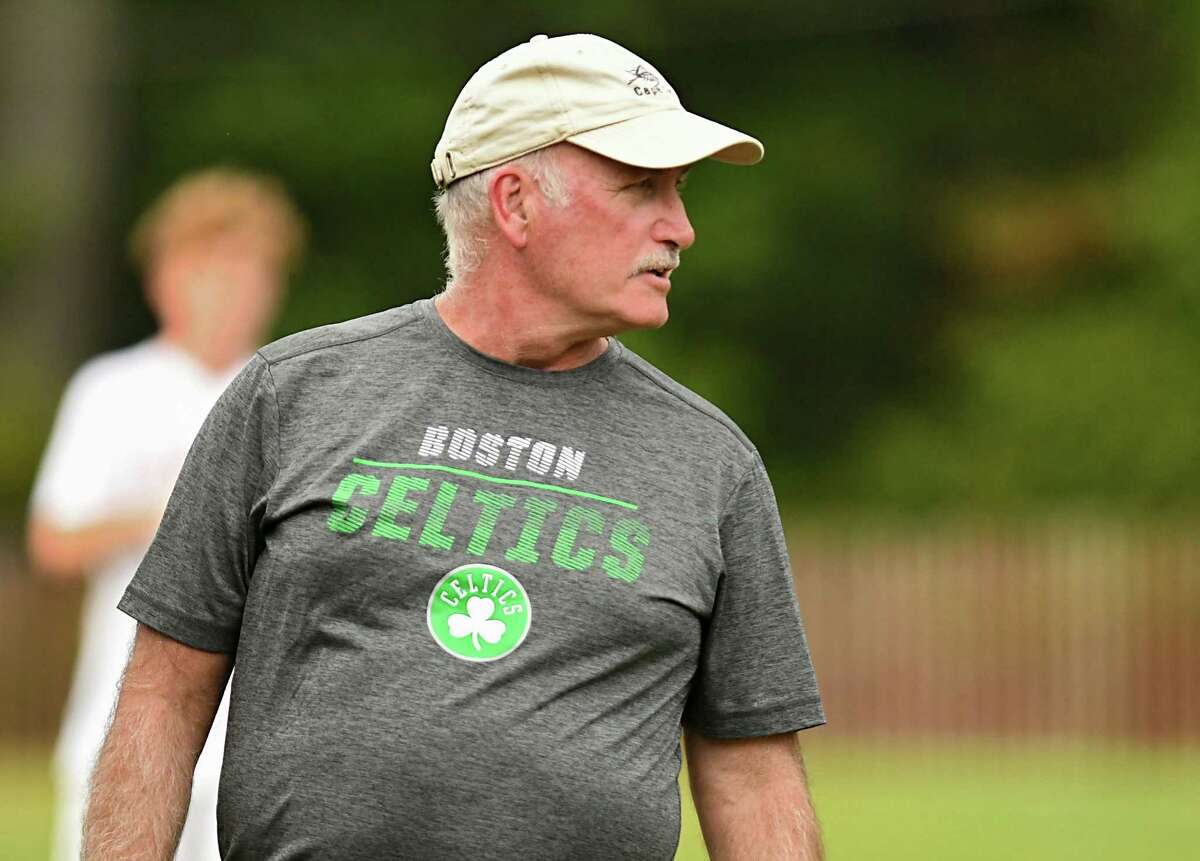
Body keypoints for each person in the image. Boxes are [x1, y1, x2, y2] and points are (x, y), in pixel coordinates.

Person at [82, 34, 826, 860]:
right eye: (640, 187)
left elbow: (754, 771)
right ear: (514, 202)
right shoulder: (288, 395)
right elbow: (161, 694)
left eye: (678, 192)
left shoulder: (713, 462)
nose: (680, 228)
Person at [27, 167, 305, 860]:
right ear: (164, 279)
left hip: (252, 732)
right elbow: (53, 541)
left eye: (254, 272)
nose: (236, 292)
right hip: (123, 713)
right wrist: (187, 520)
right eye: (214, 270)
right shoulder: (113, 390)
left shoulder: (286, 392)